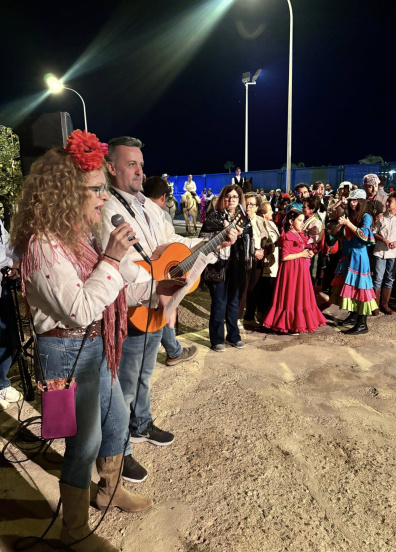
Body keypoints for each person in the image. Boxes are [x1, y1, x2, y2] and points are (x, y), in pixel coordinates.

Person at [10, 130, 182, 551]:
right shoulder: (43, 245)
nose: (104, 198)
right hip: (64, 353)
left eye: (104, 189)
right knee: (82, 443)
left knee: (117, 422)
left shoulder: (76, 237)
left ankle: (108, 489)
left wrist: (155, 286)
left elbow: (112, 289)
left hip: (93, 346)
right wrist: (111, 257)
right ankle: (73, 531)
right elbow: (81, 308)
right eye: (96, 190)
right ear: (66, 193)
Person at [101, 137, 236, 483]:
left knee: (145, 375)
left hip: (157, 304)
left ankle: (141, 424)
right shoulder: (105, 210)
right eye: (131, 164)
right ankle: (120, 452)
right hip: (134, 306)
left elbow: (171, 245)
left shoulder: (149, 206)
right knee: (124, 385)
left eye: (141, 164)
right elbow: (120, 266)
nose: (140, 171)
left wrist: (210, 242)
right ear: (112, 168)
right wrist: (156, 285)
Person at [143, 175, 198, 365]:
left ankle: (173, 349)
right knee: (164, 310)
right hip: (155, 275)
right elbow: (173, 241)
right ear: (163, 197)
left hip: (147, 275)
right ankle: (173, 351)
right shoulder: (161, 215)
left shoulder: (140, 211)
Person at [199, 184, 247, 351]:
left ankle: (234, 336)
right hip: (218, 266)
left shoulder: (244, 219)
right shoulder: (214, 217)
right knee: (219, 303)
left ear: (239, 199)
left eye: (235, 197)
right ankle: (217, 339)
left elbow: (249, 241)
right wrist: (224, 236)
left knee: (234, 302)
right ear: (222, 198)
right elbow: (203, 240)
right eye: (228, 196)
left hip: (236, 266)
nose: (231, 200)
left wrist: (243, 236)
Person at [262, 210, 326, 334]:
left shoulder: (298, 235)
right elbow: (284, 256)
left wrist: (307, 253)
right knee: (291, 295)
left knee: (299, 295)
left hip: (300, 269)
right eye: (300, 220)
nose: (302, 223)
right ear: (291, 222)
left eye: (303, 220)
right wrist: (301, 254)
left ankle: (297, 323)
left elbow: (299, 250)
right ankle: (289, 324)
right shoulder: (288, 236)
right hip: (291, 270)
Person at [330, 189, 378, 334]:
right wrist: (340, 224)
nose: (352, 203)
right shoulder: (350, 216)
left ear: (361, 202)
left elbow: (364, 235)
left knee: (361, 288)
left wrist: (348, 223)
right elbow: (334, 234)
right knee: (351, 286)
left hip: (359, 258)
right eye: (351, 200)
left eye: (355, 200)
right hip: (348, 255)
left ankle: (362, 324)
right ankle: (354, 315)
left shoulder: (366, 217)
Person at [372, 191, 396, 315]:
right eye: (387, 201)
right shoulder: (382, 216)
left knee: (389, 278)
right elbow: (374, 232)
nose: (387, 203)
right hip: (379, 251)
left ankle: (385, 304)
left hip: (394, 253)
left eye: (390, 201)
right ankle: (374, 305)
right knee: (377, 278)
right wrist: (384, 239)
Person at [0, 217, 22, 411]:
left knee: (8, 338)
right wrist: (10, 262)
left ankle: (1, 383)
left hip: (2, 288)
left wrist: (13, 266)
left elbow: (7, 245)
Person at [238, 193, 267, 326]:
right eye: (246, 204)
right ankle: (236, 318)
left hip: (258, 259)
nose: (248, 207)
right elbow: (239, 242)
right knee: (242, 290)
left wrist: (263, 251)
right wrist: (253, 251)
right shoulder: (239, 220)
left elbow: (266, 239)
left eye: (252, 204)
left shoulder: (260, 220)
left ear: (257, 207)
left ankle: (249, 317)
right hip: (244, 259)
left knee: (254, 289)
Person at [256, 201, 280, 321]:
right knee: (265, 289)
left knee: (271, 288)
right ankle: (262, 315)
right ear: (264, 213)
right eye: (270, 210)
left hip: (274, 261)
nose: (272, 212)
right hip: (266, 263)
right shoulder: (260, 225)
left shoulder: (272, 224)